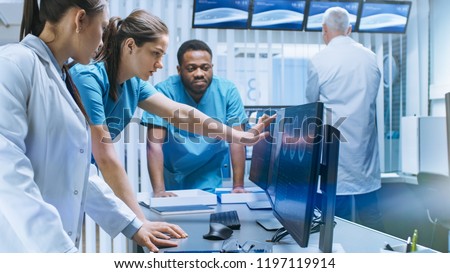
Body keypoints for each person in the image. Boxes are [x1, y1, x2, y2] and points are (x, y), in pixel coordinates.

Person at [0, 0, 188, 253]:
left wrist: (134, 225)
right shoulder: (13, 64)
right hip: (25, 248)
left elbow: (78, 170)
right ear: (80, 20)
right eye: (101, 27)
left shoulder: (62, 77)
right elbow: (6, 175)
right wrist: (61, 253)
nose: (103, 40)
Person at [70, 10, 270, 231]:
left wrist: (240, 136)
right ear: (130, 46)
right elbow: (106, 157)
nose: (159, 64)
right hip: (59, 172)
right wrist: (141, 223)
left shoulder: (134, 84)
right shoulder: (88, 78)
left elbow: (181, 114)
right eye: (155, 53)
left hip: (79, 175)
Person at [305, 7, 384, 231]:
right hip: (365, 158)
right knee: (372, 222)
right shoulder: (371, 58)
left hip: (334, 159)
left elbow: (312, 105)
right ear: (349, 29)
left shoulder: (319, 61)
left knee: (334, 226)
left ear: (324, 30)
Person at [141, 39, 247, 197]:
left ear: (212, 67)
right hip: (174, 176)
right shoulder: (164, 91)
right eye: (191, 68)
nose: (199, 74)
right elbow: (154, 145)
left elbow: (237, 140)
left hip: (208, 175)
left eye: (205, 68)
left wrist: (238, 186)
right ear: (179, 70)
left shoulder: (227, 91)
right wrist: (159, 190)